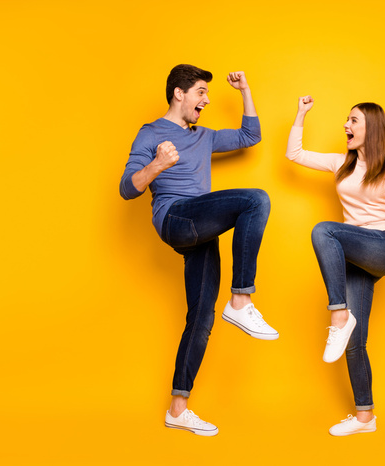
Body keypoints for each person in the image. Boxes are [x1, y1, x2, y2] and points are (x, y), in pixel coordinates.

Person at [120, 64, 278, 437]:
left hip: (200, 228)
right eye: (201, 93)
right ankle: (240, 300)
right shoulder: (151, 133)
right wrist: (158, 163)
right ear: (180, 93)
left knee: (201, 318)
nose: (206, 100)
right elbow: (128, 188)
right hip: (175, 218)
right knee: (255, 200)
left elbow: (249, 135)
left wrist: (245, 90)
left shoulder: (203, 135)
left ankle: (178, 409)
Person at [286, 95, 385, 436]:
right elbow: (295, 155)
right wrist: (301, 114)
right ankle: (365, 417)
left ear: (371, 128)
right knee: (355, 342)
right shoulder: (341, 164)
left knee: (323, 230)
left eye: (353, 120)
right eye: (347, 120)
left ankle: (338, 316)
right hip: (357, 256)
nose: (346, 126)